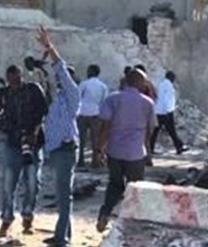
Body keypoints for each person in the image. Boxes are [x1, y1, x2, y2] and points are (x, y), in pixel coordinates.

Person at [37, 27, 81, 247]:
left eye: (63, 79)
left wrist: (50, 47)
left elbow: (60, 69)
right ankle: (62, 233)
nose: (59, 80)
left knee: (64, 195)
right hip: (57, 150)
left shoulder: (72, 96)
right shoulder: (58, 100)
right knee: (62, 194)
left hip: (65, 150)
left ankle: (62, 239)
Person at [96, 68, 156, 233]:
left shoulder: (112, 99)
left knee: (114, 184)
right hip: (136, 153)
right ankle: (130, 223)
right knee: (136, 189)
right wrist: (148, 151)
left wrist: (99, 149)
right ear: (139, 83)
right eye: (144, 81)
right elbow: (149, 131)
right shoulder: (148, 103)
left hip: (114, 151)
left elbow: (105, 127)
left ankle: (105, 213)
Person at [0, 64, 48, 236]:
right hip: (13, 142)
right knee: (8, 184)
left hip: (33, 143)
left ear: (21, 76)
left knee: (32, 183)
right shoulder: (3, 94)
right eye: (11, 80)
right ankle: (6, 220)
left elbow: (43, 112)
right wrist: (3, 122)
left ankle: (27, 218)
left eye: (17, 79)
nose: (14, 83)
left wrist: (33, 133)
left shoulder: (33, 89)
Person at [77, 64, 108, 168]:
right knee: (95, 139)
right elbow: (104, 102)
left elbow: (78, 98)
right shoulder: (103, 86)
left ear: (90, 72)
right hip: (96, 114)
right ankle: (95, 161)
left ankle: (80, 160)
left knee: (81, 139)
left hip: (83, 113)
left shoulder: (84, 84)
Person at [150, 70, 188, 155]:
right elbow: (167, 99)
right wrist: (168, 110)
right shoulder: (168, 86)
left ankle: (151, 148)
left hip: (159, 111)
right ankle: (179, 146)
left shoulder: (162, 84)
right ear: (171, 78)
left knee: (157, 130)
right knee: (171, 130)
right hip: (166, 112)